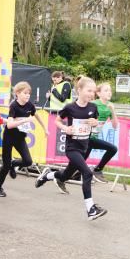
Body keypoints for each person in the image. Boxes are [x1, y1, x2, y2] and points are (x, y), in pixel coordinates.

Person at [36, 77, 107, 220]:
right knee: (87, 173)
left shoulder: (93, 107)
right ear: (79, 90)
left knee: (66, 175)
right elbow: (57, 120)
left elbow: (97, 125)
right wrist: (65, 128)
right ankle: (91, 209)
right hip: (72, 148)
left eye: (93, 91)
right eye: (88, 90)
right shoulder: (70, 107)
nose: (91, 94)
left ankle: (48, 175)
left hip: (84, 147)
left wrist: (96, 123)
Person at [58, 82, 119, 186]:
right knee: (76, 168)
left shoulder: (110, 106)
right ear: (98, 93)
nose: (109, 93)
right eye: (106, 90)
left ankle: (95, 170)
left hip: (91, 138)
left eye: (110, 91)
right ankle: (69, 176)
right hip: (86, 138)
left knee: (112, 149)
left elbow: (115, 126)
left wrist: (112, 111)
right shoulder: (93, 104)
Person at [0, 82, 47, 198]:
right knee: (5, 165)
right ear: (17, 93)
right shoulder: (13, 106)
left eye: (29, 93)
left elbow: (36, 115)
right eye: (25, 93)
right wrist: (24, 121)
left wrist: (45, 129)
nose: (28, 95)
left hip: (20, 138)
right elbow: (9, 125)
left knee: (28, 161)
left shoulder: (30, 106)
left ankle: (13, 164)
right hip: (9, 137)